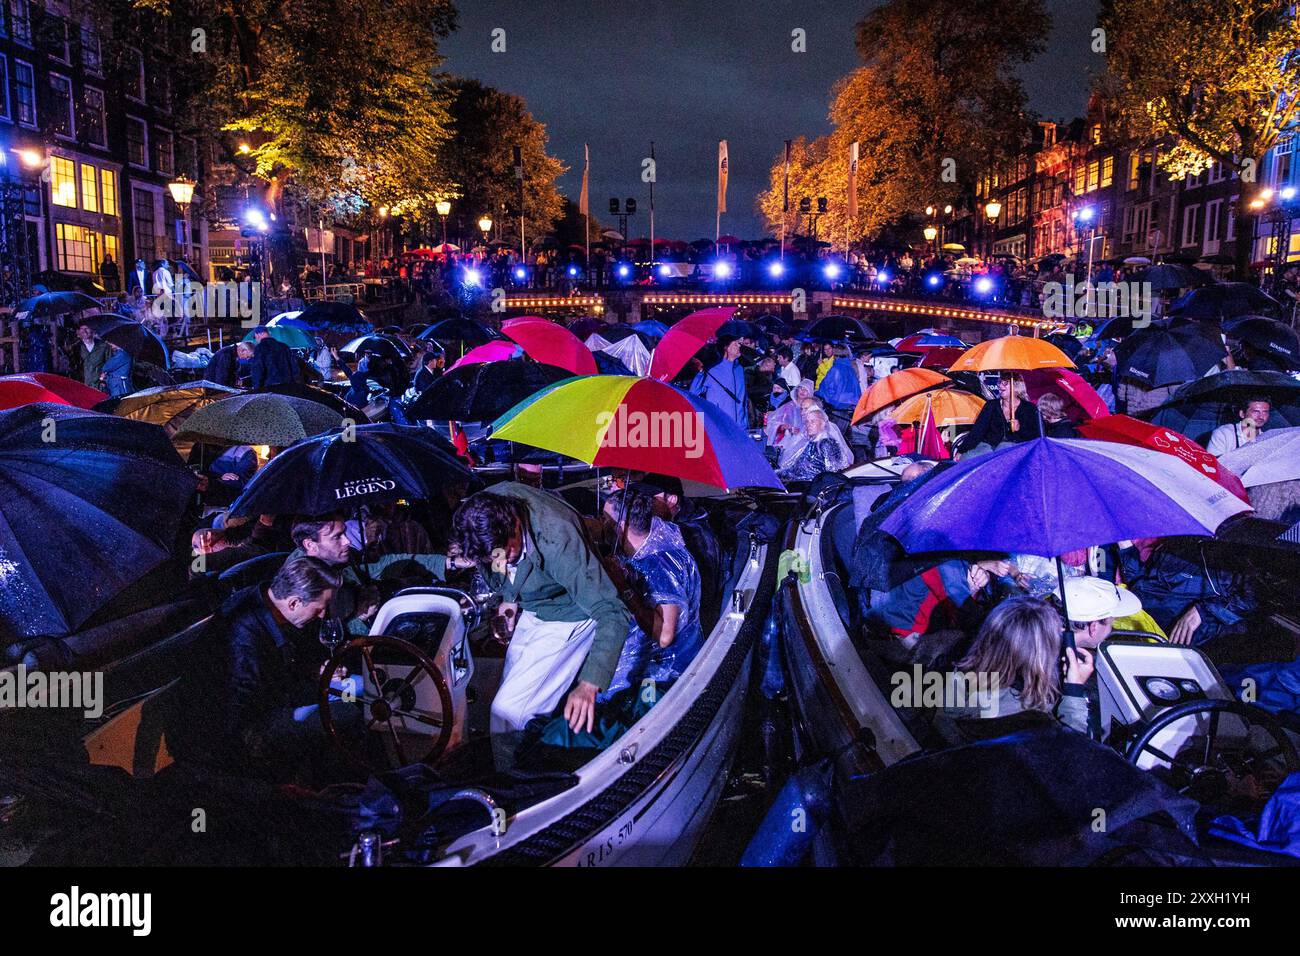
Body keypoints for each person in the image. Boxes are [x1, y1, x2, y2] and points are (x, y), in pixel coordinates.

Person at [449, 483, 631, 759]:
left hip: (568, 615)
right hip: (533, 606)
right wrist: (508, 600)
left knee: (509, 711)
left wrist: (589, 684)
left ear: (514, 524)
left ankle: (515, 782)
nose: (500, 562)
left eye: (505, 553)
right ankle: (527, 754)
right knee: (510, 697)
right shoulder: (482, 510)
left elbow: (612, 611)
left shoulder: (558, 538)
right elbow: (500, 565)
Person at [183, 554, 345, 775]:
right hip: (246, 728)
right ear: (294, 602)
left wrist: (312, 670)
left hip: (276, 700)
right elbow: (239, 703)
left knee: (356, 690)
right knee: (347, 712)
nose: (322, 615)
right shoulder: (245, 635)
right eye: (319, 608)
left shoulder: (269, 605)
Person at [599, 485, 704, 699]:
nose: (602, 525)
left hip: (662, 676)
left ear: (621, 526)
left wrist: (624, 587)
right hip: (675, 661)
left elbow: (665, 636)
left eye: (605, 520)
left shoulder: (657, 565)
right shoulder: (660, 544)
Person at [939, 596, 1093, 739]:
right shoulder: (1027, 717)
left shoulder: (957, 668)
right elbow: (1071, 752)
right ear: (1041, 655)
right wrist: (1074, 691)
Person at [958, 376, 1042, 453]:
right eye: (999, 382)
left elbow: (1036, 437)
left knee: (1003, 448)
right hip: (989, 446)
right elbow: (977, 431)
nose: (1000, 386)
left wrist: (1020, 429)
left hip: (1017, 449)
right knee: (969, 457)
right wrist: (962, 450)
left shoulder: (1029, 408)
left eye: (1005, 383)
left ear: (1016, 387)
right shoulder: (991, 405)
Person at [777, 404, 852, 482]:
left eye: (813, 421)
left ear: (822, 424)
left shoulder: (827, 444)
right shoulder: (811, 443)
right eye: (807, 422)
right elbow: (798, 467)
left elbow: (832, 473)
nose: (809, 425)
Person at [690, 335, 748, 428]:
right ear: (726, 348)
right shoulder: (712, 370)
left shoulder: (740, 369)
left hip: (740, 427)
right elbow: (694, 392)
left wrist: (745, 423)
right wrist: (700, 373)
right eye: (736, 344)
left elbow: (744, 399)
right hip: (720, 426)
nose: (739, 346)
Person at [1206, 396, 1271, 457]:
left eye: (1265, 412)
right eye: (1256, 412)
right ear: (1242, 414)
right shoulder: (1223, 434)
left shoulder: (1267, 439)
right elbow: (1213, 463)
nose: (1261, 417)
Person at [74, 322, 109, 389]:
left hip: (99, 385)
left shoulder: (103, 346)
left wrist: (104, 379)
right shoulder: (76, 348)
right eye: (82, 329)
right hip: (82, 385)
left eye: (87, 328)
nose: (84, 331)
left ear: (92, 330)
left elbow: (109, 363)